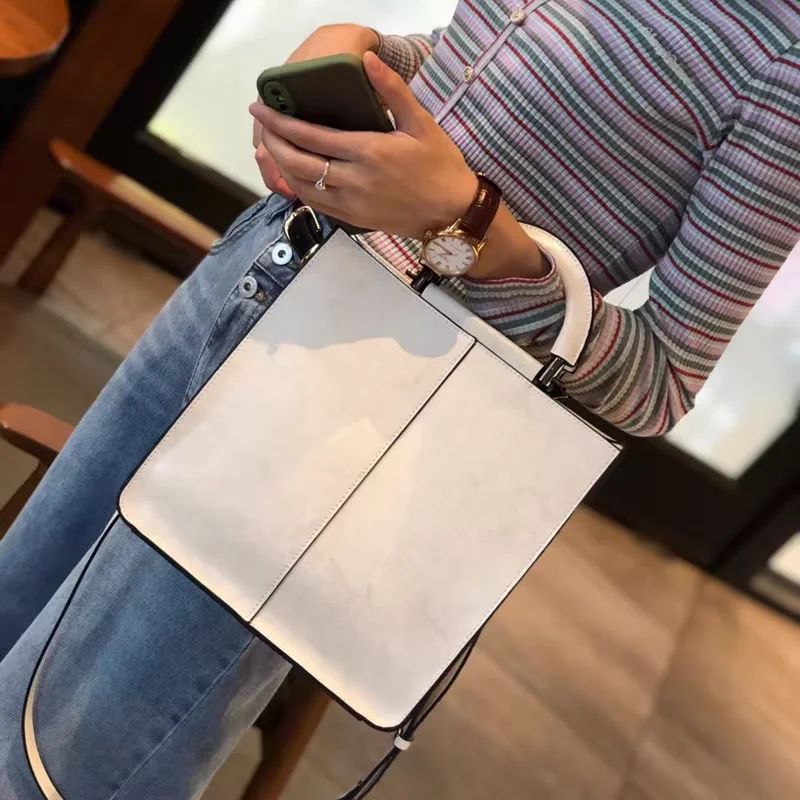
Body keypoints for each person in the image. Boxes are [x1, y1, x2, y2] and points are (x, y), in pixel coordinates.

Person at [1, 3, 798, 797]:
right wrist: (370, 57)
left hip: (364, 406)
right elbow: (480, 68)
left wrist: (470, 229)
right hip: (263, 264)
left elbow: (663, 379)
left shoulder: (785, 62)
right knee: (19, 599)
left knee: (70, 756)